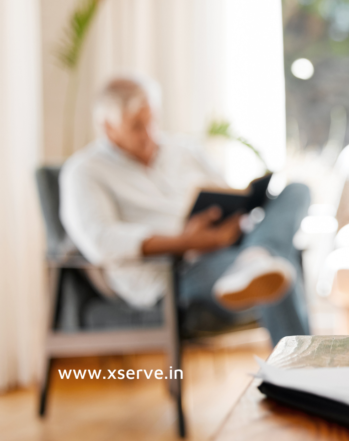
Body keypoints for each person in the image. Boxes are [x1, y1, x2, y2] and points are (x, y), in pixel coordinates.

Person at [60, 77, 310, 345]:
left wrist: (238, 215)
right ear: (108, 128)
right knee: (276, 269)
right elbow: (101, 241)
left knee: (297, 191)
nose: (149, 134)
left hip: (228, 247)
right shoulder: (84, 172)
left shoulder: (184, 150)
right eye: (136, 127)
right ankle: (302, 375)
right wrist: (187, 242)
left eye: (151, 121)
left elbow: (226, 193)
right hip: (176, 271)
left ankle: (256, 255)